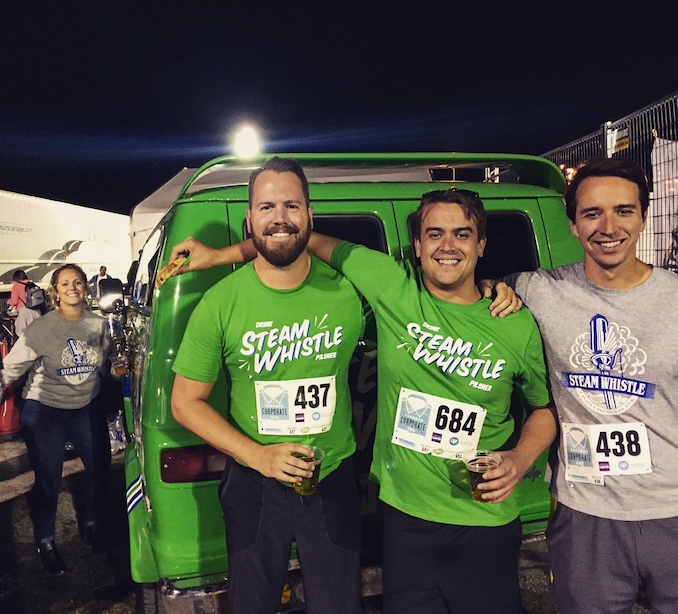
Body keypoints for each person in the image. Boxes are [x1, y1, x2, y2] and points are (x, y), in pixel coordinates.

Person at [169, 187, 555, 614]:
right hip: (403, 517)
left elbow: (544, 409)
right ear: (417, 245)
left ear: (481, 244)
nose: (447, 246)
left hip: (479, 518)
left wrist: (519, 460)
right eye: (435, 234)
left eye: (462, 235)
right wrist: (220, 256)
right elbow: (290, 236)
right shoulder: (392, 288)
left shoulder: (512, 321)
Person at [170, 157, 366, 614]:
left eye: (292, 205)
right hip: (254, 483)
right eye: (266, 207)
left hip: (331, 475)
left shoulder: (349, 291)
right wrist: (258, 455)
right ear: (249, 219)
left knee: (339, 604)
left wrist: (495, 286)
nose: (280, 217)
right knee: (252, 604)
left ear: (310, 217)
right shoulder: (220, 302)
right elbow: (185, 402)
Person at [497, 158, 678, 613]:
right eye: (592, 213)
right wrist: (489, 286)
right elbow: (464, 289)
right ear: (574, 224)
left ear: (643, 216)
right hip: (586, 516)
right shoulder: (538, 290)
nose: (608, 226)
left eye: (623, 210)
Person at [0, 263, 127, 575]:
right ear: (54, 293)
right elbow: (10, 370)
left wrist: (117, 370)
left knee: (99, 470)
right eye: (65, 283)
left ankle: (93, 525)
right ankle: (46, 541)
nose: (73, 287)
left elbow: (106, 369)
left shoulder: (100, 326)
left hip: (84, 408)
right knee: (48, 480)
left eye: (78, 282)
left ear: (86, 288)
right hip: (45, 411)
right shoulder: (42, 328)